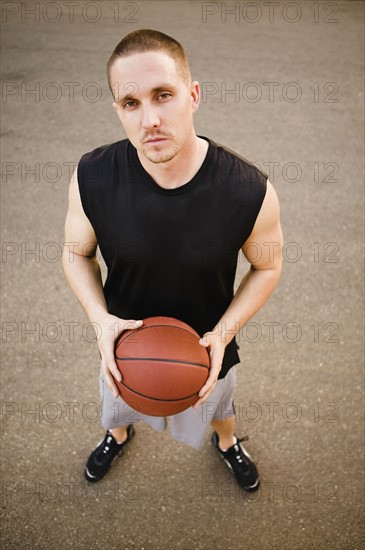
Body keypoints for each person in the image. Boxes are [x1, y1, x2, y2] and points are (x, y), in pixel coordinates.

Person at [62, 29, 283, 491]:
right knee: (117, 405)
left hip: (207, 347)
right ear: (118, 110)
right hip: (124, 349)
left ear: (193, 94)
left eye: (163, 95)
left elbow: (268, 265)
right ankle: (117, 434)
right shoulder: (93, 176)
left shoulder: (248, 190)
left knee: (221, 409)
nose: (150, 120)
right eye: (131, 103)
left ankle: (227, 444)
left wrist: (223, 335)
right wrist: (101, 321)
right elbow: (75, 253)